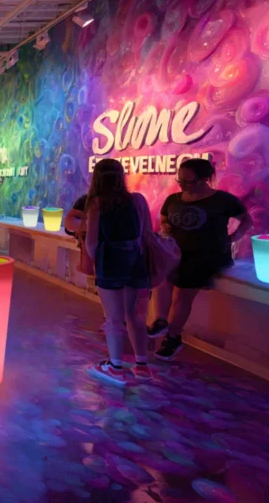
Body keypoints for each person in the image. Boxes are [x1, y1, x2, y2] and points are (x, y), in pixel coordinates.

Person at [148, 158, 250, 360]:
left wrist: (233, 238)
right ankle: (161, 321)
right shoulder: (174, 198)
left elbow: (246, 220)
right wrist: (166, 227)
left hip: (206, 255)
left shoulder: (223, 200)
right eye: (181, 180)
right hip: (177, 252)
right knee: (161, 277)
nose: (184, 185)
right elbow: (165, 216)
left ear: (205, 179)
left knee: (181, 293)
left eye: (190, 181)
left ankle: (173, 337)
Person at [83, 159, 153, 386]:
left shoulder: (97, 204)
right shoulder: (138, 200)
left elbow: (91, 243)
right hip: (135, 260)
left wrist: (97, 262)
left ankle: (115, 367)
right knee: (134, 315)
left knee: (113, 318)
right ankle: (142, 365)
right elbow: (147, 233)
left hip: (110, 261)